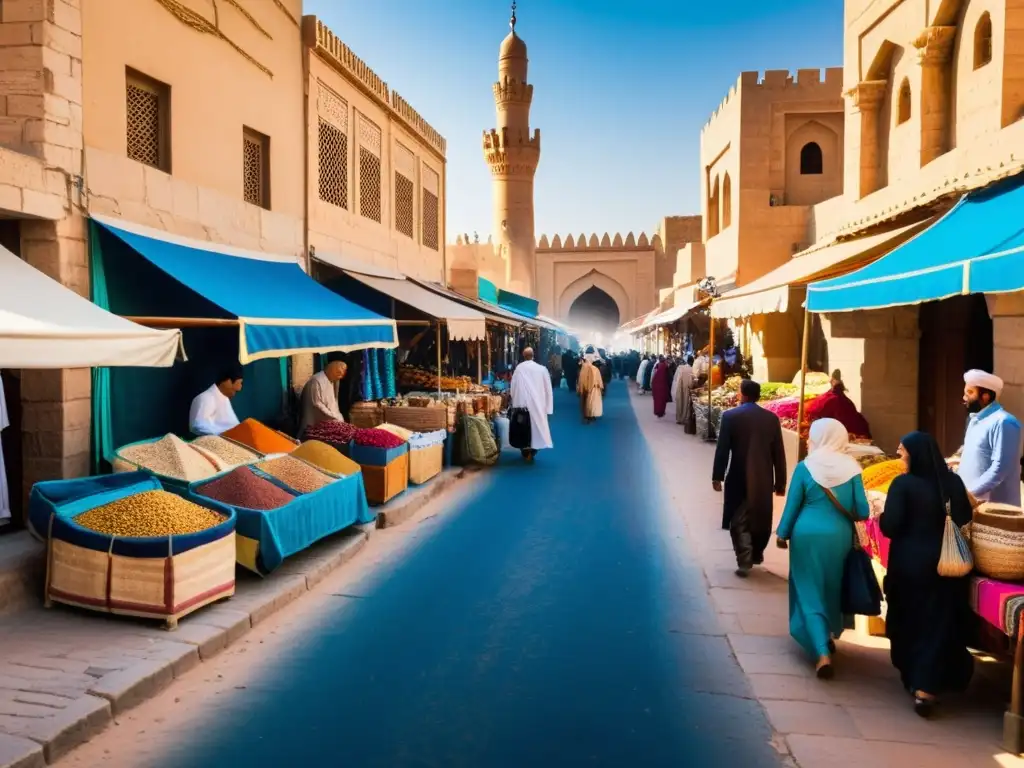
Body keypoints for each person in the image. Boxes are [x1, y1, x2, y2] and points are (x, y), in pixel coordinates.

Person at [881, 431, 974, 717]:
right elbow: (966, 517)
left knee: (910, 621)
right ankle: (928, 686)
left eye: (903, 451)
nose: (899, 455)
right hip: (947, 566)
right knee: (937, 625)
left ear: (915, 454)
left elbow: (891, 526)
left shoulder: (903, 485)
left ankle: (917, 681)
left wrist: (882, 518)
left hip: (910, 567)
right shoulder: (954, 483)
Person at [776, 419, 869, 679]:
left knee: (808, 588)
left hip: (806, 534)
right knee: (831, 586)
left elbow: (792, 505)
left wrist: (782, 534)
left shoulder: (805, 467)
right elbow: (862, 510)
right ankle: (827, 636)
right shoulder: (852, 468)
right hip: (839, 536)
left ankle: (821, 651)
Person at [712, 379, 787, 577]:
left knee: (738, 520)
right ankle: (755, 554)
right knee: (759, 518)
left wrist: (717, 476)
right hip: (762, 478)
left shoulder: (730, 416)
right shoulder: (771, 419)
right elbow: (778, 453)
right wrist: (780, 482)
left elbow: (723, 450)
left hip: (738, 474)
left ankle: (745, 557)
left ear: (743, 395)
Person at [956, 369, 1022, 507]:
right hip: (971, 505)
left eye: (970, 392)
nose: (964, 397)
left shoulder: (1004, 422)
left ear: (985, 396)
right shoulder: (974, 420)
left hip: (995, 510)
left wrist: (969, 494)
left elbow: (999, 470)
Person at [510, 347, 554, 462]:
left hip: (522, 405)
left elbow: (513, 387)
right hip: (539, 405)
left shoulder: (519, 369)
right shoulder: (542, 369)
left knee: (523, 428)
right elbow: (548, 389)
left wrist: (514, 401)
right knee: (537, 429)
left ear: (523, 356)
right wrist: (549, 408)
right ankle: (533, 450)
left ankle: (525, 450)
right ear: (533, 355)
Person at [804, 369, 872, 439]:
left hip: (838, 427)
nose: (830, 381)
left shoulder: (835, 399)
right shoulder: (832, 398)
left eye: (833, 380)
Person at [189, 366, 243, 436]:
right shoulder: (206, 398)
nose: (240, 388)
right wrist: (223, 434)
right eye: (240, 382)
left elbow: (233, 425)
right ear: (228, 382)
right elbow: (196, 426)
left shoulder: (224, 399)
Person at [299, 360, 348, 435]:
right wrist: (334, 417)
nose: (340, 377)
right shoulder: (316, 380)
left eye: (342, 374)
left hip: (330, 422)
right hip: (315, 424)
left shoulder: (333, 381)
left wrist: (338, 416)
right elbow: (317, 404)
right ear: (331, 370)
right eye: (338, 373)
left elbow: (334, 402)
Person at [577, 356, 604, 422]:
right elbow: (599, 380)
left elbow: (581, 380)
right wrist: (600, 388)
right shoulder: (595, 369)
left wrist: (580, 389)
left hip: (585, 388)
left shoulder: (583, 368)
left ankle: (586, 417)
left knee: (585, 403)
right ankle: (591, 416)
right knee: (592, 403)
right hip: (594, 389)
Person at [673, 356, 696, 433]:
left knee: (680, 403)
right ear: (692, 362)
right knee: (686, 403)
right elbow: (692, 382)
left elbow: (676, 379)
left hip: (679, 388)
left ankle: (679, 418)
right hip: (687, 389)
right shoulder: (691, 370)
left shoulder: (680, 368)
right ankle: (684, 418)